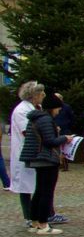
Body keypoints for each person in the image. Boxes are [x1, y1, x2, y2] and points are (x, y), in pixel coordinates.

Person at [19, 93, 72, 235]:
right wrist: (64, 138)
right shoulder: (46, 119)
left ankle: (35, 222)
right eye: (58, 108)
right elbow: (50, 141)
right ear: (53, 108)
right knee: (46, 192)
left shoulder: (36, 118)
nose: (59, 111)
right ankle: (43, 224)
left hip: (37, 159)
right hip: (46, 159)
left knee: (39, 191)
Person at [9, 81, 43, 227]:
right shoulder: (22, 110)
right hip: (26, 152)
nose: (43, 95)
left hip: (34, 152)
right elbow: (28, 131)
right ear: (34, 95)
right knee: (26, 187)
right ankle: (29, 217)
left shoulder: (33, 107)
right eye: (41, 93)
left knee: (33, 185)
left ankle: (37, 215)